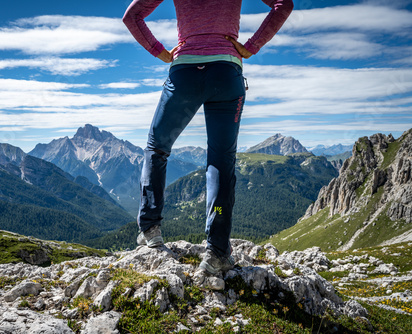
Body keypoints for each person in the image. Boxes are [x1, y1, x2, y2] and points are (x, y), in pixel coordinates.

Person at [123, 0, 293, 275]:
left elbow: (132, 16)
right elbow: (283, 4)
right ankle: (216, 252)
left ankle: (150, 229)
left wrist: (160, 52)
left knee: (157, 148)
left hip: (184, 73)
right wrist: (250, 46)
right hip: (226, 73)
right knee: (221, 160)